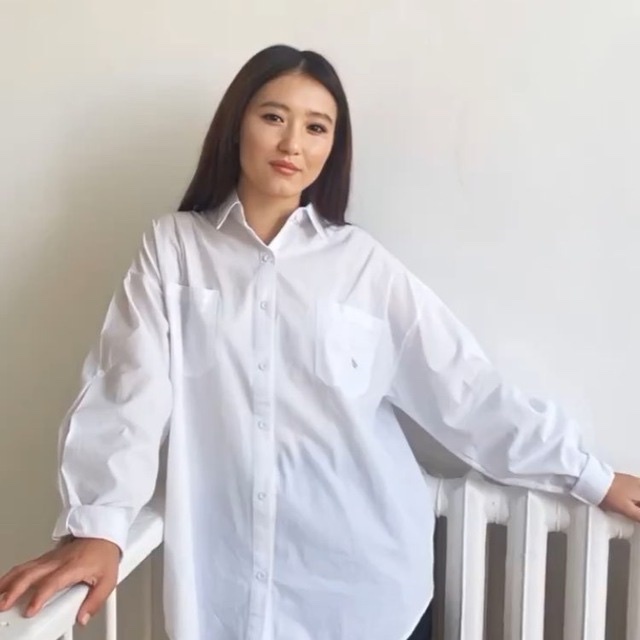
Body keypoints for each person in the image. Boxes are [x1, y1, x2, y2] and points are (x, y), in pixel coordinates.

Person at [0, 43, 639, 640]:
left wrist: (590, 477)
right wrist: (99, 528)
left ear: (334, 146)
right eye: (273, 117)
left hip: (369, 591)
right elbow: (127, 393)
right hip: (225, 595)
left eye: (316, 127)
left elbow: (465, 390)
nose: (292, 144)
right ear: (236, 126)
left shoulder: (362, 266)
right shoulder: (173, 250)